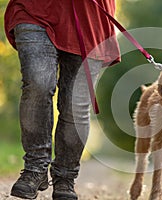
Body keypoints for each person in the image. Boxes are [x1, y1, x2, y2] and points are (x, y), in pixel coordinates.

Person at [4, 1, 120, 199]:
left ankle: (65, 177)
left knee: (76, 104)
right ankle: (35, 168)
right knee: (37, 83)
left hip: (89, 17)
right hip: (35, 9)